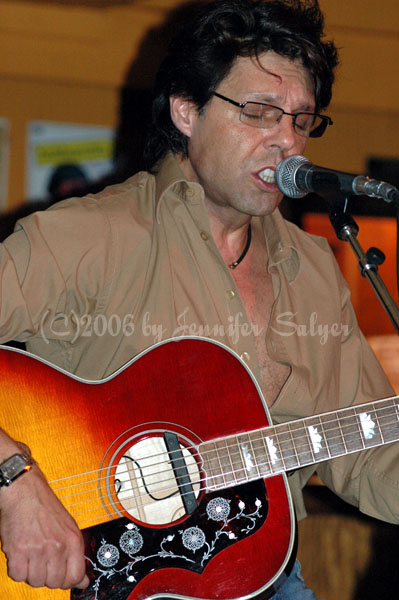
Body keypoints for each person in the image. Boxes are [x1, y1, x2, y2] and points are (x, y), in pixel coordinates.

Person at [0, 0, 396, 597]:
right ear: (187, 112)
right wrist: (15, 482)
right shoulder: (85, 238)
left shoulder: (315, 270)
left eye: (302, 119)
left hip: (261, 576)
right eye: (260, 112)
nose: (288, 140)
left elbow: (367, 456)